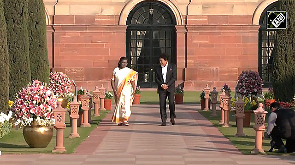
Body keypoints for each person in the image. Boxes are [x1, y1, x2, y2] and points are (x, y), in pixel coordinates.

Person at [111, 57, 138, 126]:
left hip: (127, 90)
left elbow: (132, 81)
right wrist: (114, 90)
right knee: (119, 105)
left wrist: (134, 89)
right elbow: (112, 80)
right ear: (120, 62)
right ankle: (120, 120)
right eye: (123, 62)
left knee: (126, 105)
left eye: (126, 63)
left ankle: (125, 119)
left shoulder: (129, 71)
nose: (124, 64)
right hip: (118, 91)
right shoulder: (116, 70)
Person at [155, 54, 176, 126]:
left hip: (170, 87)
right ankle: (163, 120)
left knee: (171, 103)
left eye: (161, 60)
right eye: (160, 60)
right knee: (162, 104)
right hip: (162, 88)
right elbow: (156, 79)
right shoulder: (158, 68)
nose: (160, 62)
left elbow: (174, 77)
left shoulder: (172, 67)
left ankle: (172, 117)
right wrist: (162, 85)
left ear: (166, 60)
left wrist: (167, 85)